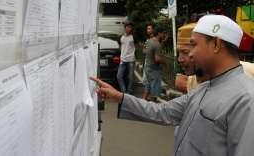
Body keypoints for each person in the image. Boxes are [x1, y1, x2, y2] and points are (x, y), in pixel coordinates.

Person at [91, 15, 254, 156]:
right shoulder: (203, 89)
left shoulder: (246, 100)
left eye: (194, 45)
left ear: (216, 45)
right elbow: (163, 112)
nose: (191, 53)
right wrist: (119, 97)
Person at [141, 28, 166, 100]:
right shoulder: (157, 44)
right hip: (154, 69)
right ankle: (152, 107)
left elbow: (145, 51)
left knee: (148, 86)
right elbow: (157, 59)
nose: (163, 35)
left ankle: (143, 102)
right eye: (163, 33)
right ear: (159, 34)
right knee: (154, 91)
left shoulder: (149, 41)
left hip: (147, 67)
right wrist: (164, 62)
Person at [116, 21, 136, 94]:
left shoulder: (133, 37)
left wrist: (133, 53)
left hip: (131, 59)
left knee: (130, 77)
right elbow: (120, 46)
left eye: (130, 27)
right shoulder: (121, 37)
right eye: (128, 27)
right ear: (125, 28)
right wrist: (122, 54)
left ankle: (129, 91)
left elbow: (136, 47)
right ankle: (124, 91)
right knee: (119, 76)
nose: (129, 28)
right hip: (123, 60)